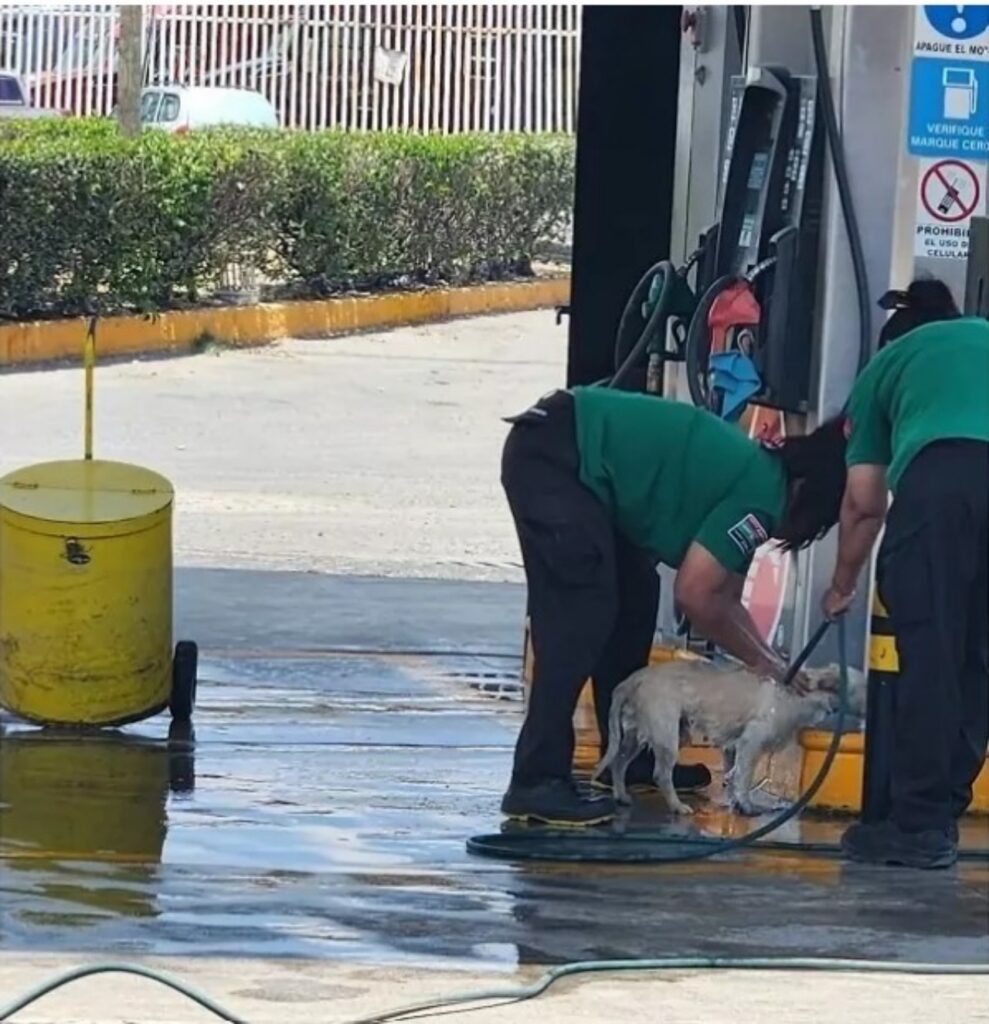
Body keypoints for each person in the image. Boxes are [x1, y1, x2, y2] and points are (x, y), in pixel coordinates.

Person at [501, 385, 848, 825]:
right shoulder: (762, 496)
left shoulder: (760, 476)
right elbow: (697, 594)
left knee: (635, 598)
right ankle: (536, 779)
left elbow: (725, 598)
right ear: (811, 497)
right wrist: (767, 664)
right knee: (581, 612)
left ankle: (630, 757)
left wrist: (772, 661)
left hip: (567, 449)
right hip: (558, 456)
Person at [823, 278, 989, 869]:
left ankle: (917, 826)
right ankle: (942, 810)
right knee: (979, 664)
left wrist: (841, 585)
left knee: (931, 655)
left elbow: (863, 502)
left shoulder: (886, 365)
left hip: (940, 490)